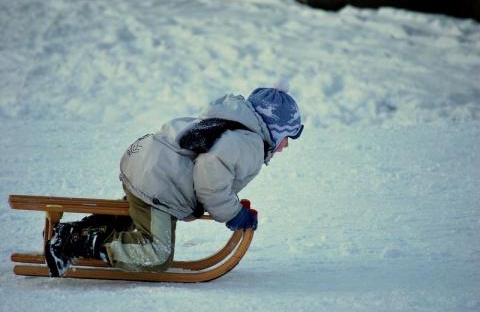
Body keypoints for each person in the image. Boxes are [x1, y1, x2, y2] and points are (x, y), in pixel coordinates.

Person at [45, 77, 304, 277]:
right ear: (273, 129)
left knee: (135, 214)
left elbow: (212, 167)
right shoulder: (250, 144)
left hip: (147, 163)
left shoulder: (230, 123)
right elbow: (209, 179)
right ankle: (76, 241)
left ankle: (80, 231)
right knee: (156, 254)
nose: (285, 146)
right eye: (286, 138)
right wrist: (234, 214)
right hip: (161, 185)